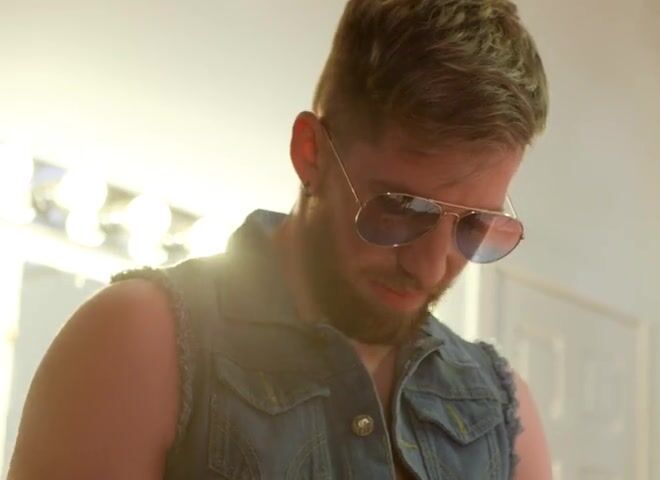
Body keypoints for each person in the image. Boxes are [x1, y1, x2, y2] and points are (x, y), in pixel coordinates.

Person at [8, 0, 552, 478]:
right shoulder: (137, 343)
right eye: (400, 210)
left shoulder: (503, 414)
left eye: (474, 225)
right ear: (311, 153)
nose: (431, 268)